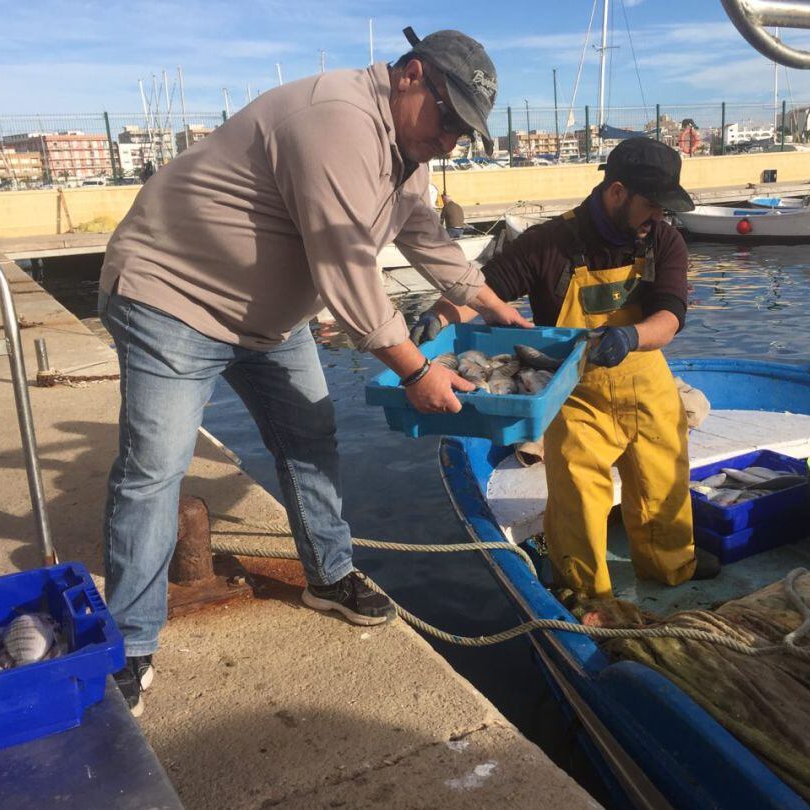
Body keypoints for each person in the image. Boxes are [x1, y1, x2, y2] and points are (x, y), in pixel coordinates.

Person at [98, 27, 530, 715]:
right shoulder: (338, 121)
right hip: (171, 297)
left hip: (267, 320)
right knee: (155, 468)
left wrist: (489, 301)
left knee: (310, 440)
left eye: (464, 133)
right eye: (448, 119)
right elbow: (347, 268)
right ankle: (127, 644)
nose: (451, 140)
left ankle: (328, 576)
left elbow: (422, 234)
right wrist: (417, 369)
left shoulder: (405, 151)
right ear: (411, 75)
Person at [413, 138, 719, 599]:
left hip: (646, 380)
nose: (659, 216)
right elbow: (480, 290)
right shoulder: (548, 243)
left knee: (664, 482)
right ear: (617, 192)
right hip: (575, 393)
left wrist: (630, 336)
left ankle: (672, 566)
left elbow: (670, 316)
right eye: (651, 205)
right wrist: (438, 315)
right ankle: (586, 593)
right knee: (577, 495)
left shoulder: (664, 239)